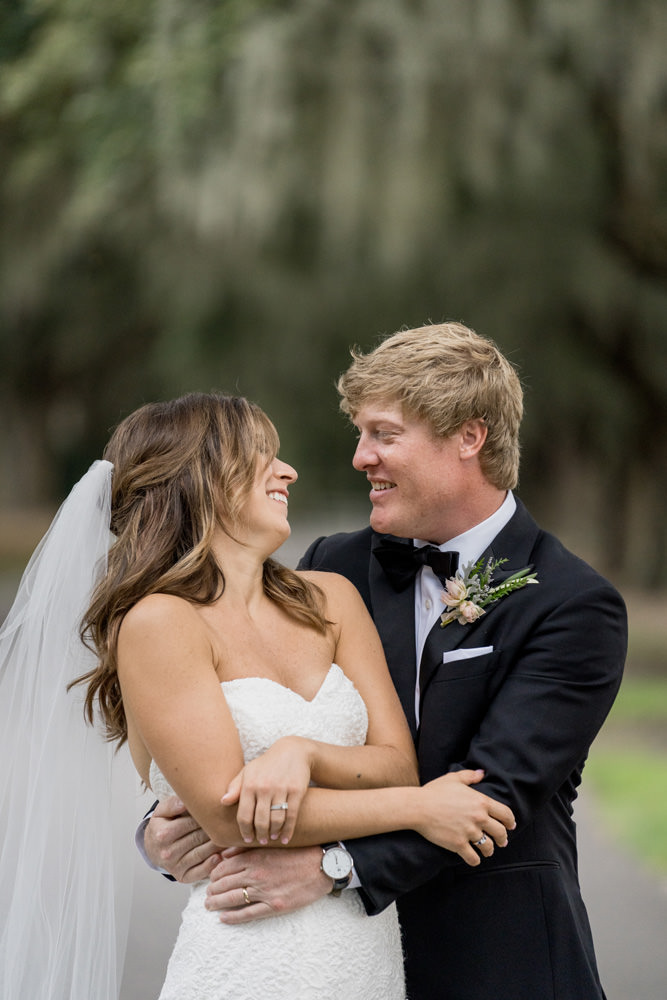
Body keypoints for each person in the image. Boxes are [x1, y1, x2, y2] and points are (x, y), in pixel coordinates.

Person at [144, 325, 628, 1000]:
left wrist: (331, 867)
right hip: (324, 959)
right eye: (359, 434)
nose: (359, 457)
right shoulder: (330, 569)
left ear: (468, 437)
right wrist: (168, 831)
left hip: (493, 960)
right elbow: (229, 715)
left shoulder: (573, 604)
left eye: (382, 434)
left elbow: (493, 798)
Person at [0, 391, 516, 1000]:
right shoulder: (159, 623)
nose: (288, 471)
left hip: (360, 953)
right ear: (202, 478)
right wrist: (421, 810)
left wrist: (306, 754)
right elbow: (227, 817)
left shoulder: (331, 599)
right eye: (261, 457)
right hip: (247, 956)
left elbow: (397, 765)